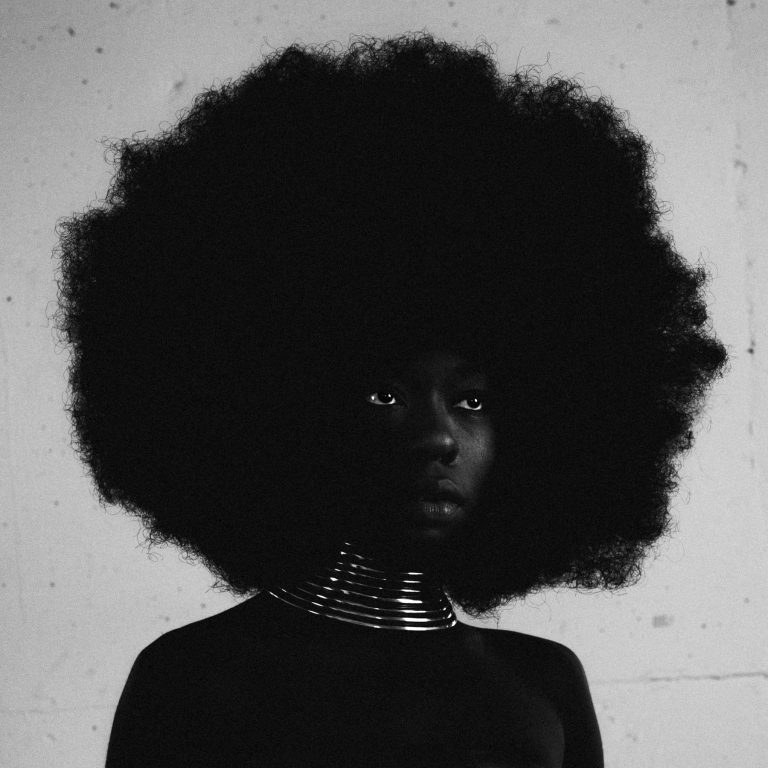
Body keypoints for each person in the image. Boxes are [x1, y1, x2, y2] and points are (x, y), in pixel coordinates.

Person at [52, 31, 729, 768]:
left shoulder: (543, 681)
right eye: (386, 394)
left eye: (473, 402)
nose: (439, 437)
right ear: (282, 412)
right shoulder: (195, 678)